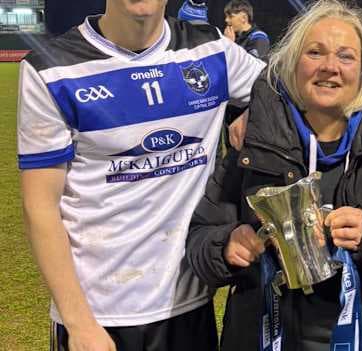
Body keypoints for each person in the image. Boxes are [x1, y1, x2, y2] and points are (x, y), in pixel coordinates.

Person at [186, 1, 362, 350]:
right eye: (315, 52)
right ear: (292, 63)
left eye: (346, 57)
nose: (330, 67)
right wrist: (227, 246)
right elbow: (200, 241)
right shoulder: (253, 145)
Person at [17, 0, 265, 350]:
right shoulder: (52, 70)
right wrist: (80, 324)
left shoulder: (211, 50)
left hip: (190, 305)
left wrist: (257, 110)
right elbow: (39, 207)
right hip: (99, 317)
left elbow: (291, 89)